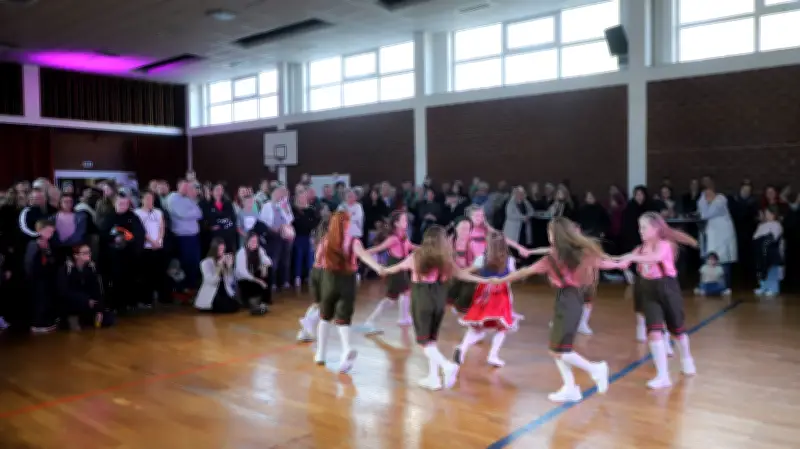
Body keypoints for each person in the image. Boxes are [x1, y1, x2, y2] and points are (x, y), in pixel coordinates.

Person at [495, 217, 624, 402]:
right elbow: (603, 263)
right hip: (571, 300)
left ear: (555, 235)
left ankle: (595, 369)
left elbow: (525, 271)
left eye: (549, 232)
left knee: (558, 350)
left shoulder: (552, 258)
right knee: (559, 347)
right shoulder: (581, 253)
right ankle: (570, 387)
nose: (548, 236)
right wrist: (620, 263)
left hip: (567, 301)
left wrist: (499, 280)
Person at [378, 226, 490, 391]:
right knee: (431, 340)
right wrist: (485, 280)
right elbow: (461, 274)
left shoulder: (417, 256)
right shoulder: (445, 259)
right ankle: (433, 378)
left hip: (422, 298)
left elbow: (396, 268)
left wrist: (382, 269)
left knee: (424, 342)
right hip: (439, 299)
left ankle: (446, 366)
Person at [619, 212, 698, 389]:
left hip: (667, 288)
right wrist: (607, 260)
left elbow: (654, 258)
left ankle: (686, 358)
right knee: (654, 331)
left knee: (677, 330)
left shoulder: (665, 245)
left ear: (655, 228)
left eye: (644, 227)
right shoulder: (640, 249)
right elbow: (623, 262)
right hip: (648, 290)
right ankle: (663, 376)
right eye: (639, 227)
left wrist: (631, 257)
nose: (640, 231)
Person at [314, 211, 383, 373]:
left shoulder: (326, 240)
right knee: (343, 318)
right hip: (348, 281)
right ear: (347, 224)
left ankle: (320, 354)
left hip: (329, 280)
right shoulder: (353, 241)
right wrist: (379, 268)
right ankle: (346, 348)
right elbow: (364, 256)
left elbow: (317, 261)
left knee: (325, 317)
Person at [455, 231, 519, 368]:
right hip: (501, 296)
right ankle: (493, 355)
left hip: (483, 294)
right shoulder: (510, 261)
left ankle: (462, 348)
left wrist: (479, 279)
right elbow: (514, 278)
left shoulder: (480, 259)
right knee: (502, 327)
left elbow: (463, 273)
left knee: (476, 328)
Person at [362, 211, 415, 332]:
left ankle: (372, 320)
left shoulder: (404, 236)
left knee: (391, 298)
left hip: (401, 269)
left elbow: (410, 246)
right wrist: (362, 253)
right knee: (405, 291)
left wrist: (426, 248)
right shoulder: (393, 239)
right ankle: (402, 318)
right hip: (395, 270)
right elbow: (378, 248)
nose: (406, 222)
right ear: (396, 223)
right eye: (404, 220)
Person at [58, 244, 104, 331]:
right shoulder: (66, 269)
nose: (89, 254)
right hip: (73, 304)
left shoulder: (92, 268)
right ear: (76, 255)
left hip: (89, 303)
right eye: (85, 253)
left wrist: (99, 309)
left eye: (89, 252)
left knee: (107, 319)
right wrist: (85, 300)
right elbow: (64, 292)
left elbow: (98, 289)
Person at [24, 220, 58, 333]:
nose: (50, 234)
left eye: (52, 232)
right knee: (39, 301)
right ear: (40, 230)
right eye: (48, 231)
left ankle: (45, 321)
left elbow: (52, 260)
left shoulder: (49, 244)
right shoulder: (33, 244)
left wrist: (47, 252)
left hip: (46, 277)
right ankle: (37, 324)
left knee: (46, 300)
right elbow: (29, 263)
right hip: (36, 278)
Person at [297, 219, 328, 343]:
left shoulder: (321, 241)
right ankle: (308, 323)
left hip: (316, 273)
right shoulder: (327, 242)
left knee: (317, 304)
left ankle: (304, 332)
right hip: (323, 274)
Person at [194, 237, 240, 313]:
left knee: (234, 306)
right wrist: (219, 266)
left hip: (224, 291)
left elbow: (231, 282)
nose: (222, 252)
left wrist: (229, 267)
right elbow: (211, 281)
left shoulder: (225, 260)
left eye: (223, 249)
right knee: (224, 307)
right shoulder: (205, 262)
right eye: (219, 249)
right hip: (213, 293)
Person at [235, 232, 271, 315]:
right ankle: (252, 302)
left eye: (256, 241)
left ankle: (263, 300)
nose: (254, 243)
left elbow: (268, 261)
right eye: (252, 241)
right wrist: (258, 281)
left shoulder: (260, 250)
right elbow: (242, 272)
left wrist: (265, 267)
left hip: (254, 275)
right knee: (252, 283)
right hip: (245, 280)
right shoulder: (241, 253)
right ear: (247, 241)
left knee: (268, 270)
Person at [752, 206, 783, 297]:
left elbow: (774, 238)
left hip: (771, 251)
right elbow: (755, 237)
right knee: (761, 270)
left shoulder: (777, 224)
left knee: (772, 271)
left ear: (774, 214)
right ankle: (763, 287)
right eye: (766, 214)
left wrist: (765, 240)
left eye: (769, 214)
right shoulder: (761, 225)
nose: (767, 215)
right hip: (761, 252)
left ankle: (773, 288)